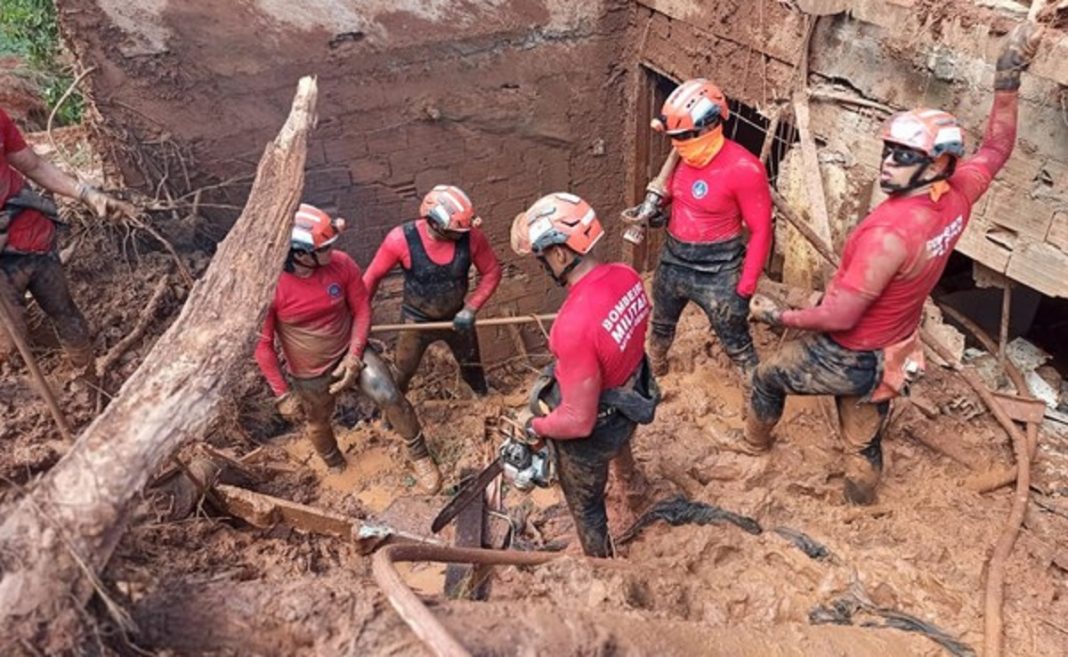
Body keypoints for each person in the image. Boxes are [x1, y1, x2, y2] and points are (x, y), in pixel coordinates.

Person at [744, 23, 1042, 505]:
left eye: (903, 156)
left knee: (765, 376)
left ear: (937, 165)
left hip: (847, 350)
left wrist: (778, 315)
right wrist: (1007, 79)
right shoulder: (958, 195)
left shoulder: (888, 234)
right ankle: (858, 506)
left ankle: (754, 444)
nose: (887, 163)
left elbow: (840, 317)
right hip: (896, 350)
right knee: (863, 438)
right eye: (889, 151)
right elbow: (997, 147)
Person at [510, 192, 660, 557]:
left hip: (598, 427)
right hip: (634, 394)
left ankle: (601, 562)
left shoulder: (572, 324)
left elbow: (578, 421)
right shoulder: (627, 276)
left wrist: (534, 426)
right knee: (619, 440)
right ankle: (632, 484)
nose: (542, 265)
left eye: (542, 257)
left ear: (560, 253)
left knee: (587, 507)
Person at [255, 203, 441, 492]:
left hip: (351, 352)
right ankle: (335, 464)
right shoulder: (272, 287)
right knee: (317, 422)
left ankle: (420, 455)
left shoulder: (341, 264)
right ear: (300, 255)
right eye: (324, 247)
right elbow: (263, 345)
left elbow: (362, 309)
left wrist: (354, 355)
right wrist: (282, 394)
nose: (332, 250)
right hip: (309, 373)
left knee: (391, 395)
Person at [625, 79, 772, 382]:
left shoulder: (744, 170)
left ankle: (756, 399)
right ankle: (655, 371)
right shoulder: (683, 154)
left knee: (737, 343)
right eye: (675, 137)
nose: (678, 144)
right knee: (661, 326)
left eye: (685, 136)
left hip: (718, 271)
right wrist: (655, 208)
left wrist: (745, 287)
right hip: (674, 260)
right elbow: (679, 194)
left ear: (709, 125)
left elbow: (760, 232)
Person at [1, 106, 134, 380]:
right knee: (9, 344)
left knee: (65, 311)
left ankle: (88, 378)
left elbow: (33, 165)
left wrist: (87, 194)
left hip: (33, 236)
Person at [363, 185, 501, 396]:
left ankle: (484, 402)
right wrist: (361, 318)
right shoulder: (400, 240)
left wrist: (471, 308)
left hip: (457, 318)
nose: (460, 235)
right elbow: (371, 278)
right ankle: (391, 420)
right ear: (435, 223)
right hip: (415, 321)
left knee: (472, 368)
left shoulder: (472, 238)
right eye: (455, 231)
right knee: (402, 372)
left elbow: (492, 271)